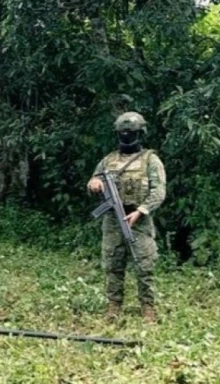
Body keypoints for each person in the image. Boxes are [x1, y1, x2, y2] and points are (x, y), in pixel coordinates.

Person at [87, 112, 166, 323]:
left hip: (139, 218)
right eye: (123, 133)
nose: (127, 136)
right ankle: (114, 306)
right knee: (113, 262)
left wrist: (140, 211)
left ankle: (147, 306)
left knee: (144, 263)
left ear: (140, 133)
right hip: (113, 219)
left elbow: (159, 191)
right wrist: (94, 184)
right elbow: (94, 179)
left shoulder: (151, 160)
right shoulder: (108, 160)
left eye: (131, 133)